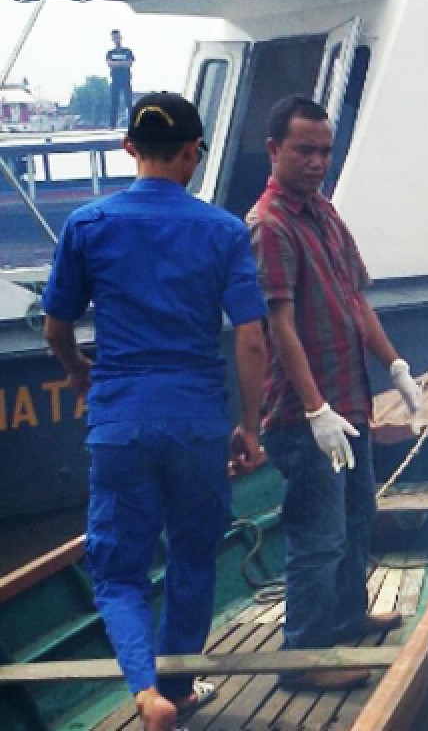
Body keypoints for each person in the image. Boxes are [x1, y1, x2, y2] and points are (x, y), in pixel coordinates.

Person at [41, 93, 268, 731]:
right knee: (195, 557)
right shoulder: (222, 228)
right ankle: (180, 684)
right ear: (194, 152)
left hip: (119, 421)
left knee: (118, 571)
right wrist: (248, 427)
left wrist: (79, 372)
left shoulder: (87, 223)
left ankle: (146, 694)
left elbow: (56, 326)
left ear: (129, 148)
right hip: (196, 421)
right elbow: (251, 335)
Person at [246, 95, 424, 690]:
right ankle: (304, 659)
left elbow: (355, 302)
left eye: (324, 149)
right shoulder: (269, 225)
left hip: (351, 404)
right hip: (305, 416)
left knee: (356, 519)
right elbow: (281, 327)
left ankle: (347, 617)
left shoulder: (323, 213)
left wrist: (394, 362)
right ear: (274, 151)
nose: (317, 161)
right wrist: (316, 408)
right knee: (317, 539)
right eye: (304, 150)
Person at [106, 29, 135, 129]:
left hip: (126, 79)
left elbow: (130, 63)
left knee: (129, 102)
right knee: (114, 102)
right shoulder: (110, 52)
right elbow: (110, 64)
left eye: (117, 37)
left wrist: (118, 64)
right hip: (115, 80)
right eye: (114, 37)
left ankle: (133, 124)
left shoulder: (127, 51)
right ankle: (112, 125)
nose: (116, 39)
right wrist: (122, 63)